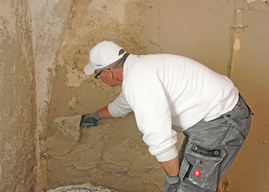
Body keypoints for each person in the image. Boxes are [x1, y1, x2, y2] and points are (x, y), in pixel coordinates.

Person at [80, 41, 253, 192]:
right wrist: (95, 116)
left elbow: (159, 138)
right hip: (218, 117)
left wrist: (173, 179)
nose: (100, 78)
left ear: (107, 73)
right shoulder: (140, 69)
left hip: (220, 122)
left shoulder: (137, 82)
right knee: (183, 185)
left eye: (97, 75)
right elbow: (121, 106)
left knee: (186, 188)